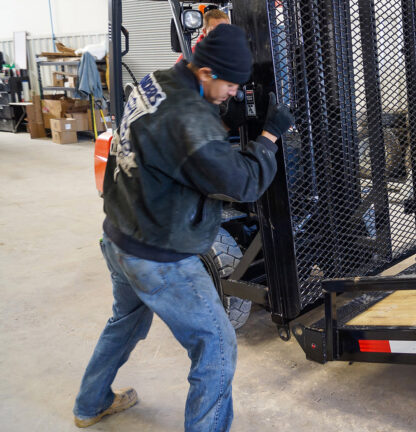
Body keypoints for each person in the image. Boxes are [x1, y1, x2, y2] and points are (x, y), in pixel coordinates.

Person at [72, 24, 294, 431]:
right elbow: (242, 182)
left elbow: (174, 138)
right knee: (217, 346)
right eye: (230, 85)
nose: (233, 93)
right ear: (206, 73)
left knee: (126, 322)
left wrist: (220, 115)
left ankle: (90, 404)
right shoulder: (190, 122)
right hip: (159, 257)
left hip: (119, 236)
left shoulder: (156, 80)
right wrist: (268, 136)